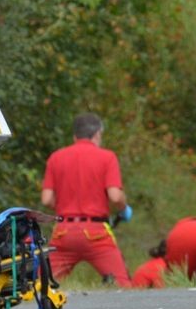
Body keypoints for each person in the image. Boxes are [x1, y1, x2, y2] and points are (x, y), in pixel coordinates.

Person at [41, 112, 133, 286]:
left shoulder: (56, 158)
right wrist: (123, 207)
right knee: (123, 286)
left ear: (75, 136)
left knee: (42, 285)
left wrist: (65, 207)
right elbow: (114, 196)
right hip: (96, 232)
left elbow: (46, 200)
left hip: (63, 231)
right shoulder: (107, 157)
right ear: (98, 133)